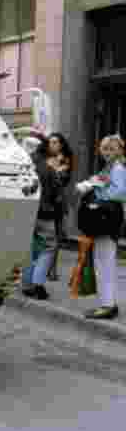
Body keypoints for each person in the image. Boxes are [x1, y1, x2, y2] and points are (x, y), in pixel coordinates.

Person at [76, 134, 126, 319]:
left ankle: (108, 305)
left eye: (112, 148)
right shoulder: (110, 167)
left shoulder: (118, 168)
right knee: (103, 262)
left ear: (120, 150)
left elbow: (121, 192)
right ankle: (108, 303)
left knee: (104, 263)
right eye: (104, 148)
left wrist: (97, 190)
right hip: (107, 218)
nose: (107, 152)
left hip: (108, 219)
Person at [22, 132, 72, 300]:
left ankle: (27, 284)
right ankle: (37, 284)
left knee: (30, 248)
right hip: (45, 213)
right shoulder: (47, 167)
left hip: (27, 212)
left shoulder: (25, 164)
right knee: (48, 247)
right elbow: (58, 195)